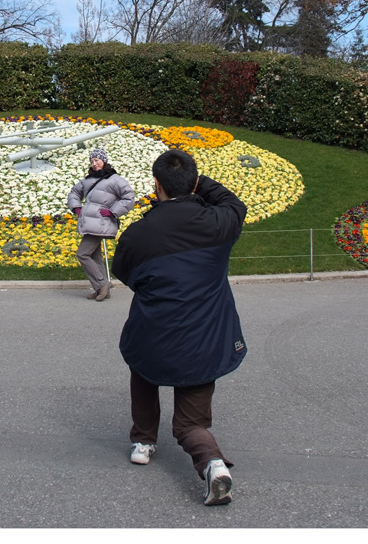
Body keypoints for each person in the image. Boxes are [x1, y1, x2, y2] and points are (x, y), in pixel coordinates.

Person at [111, 148, 247, 506]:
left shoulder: (139, 234)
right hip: (206, 338)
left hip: (154, 332)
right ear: (194, 183)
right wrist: (200, 183)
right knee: (189, 424)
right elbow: (235, 204)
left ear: (156, 185)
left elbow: (125, 274)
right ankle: (213, 464)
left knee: (142, 365)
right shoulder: (219, 222)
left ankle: (143, 440)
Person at [67, 148, 135, 302]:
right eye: (92, 161)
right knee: (94, 255)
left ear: (104, 160)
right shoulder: (88, 179)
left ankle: (102, 284)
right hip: (90, 223)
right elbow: (74, 192)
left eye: (97, 160)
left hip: (101, 223)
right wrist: (76, 207)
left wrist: (113, 212)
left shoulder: (114, 179)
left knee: (83, 254)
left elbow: (129, 197)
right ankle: (101, 290)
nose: (94, 163)